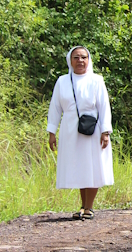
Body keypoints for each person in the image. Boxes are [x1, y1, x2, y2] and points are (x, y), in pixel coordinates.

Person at [47, 46, 113, 220]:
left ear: (88, 60)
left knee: (92, 166)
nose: (80, 61)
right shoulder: (62, 81)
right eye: (76, 57)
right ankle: (84, 206)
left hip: (93, 129)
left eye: (83, 57)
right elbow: (55, 107)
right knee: (80, 167)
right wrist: (52, 131)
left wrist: (105, 131)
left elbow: (104, 106)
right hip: (70, 130)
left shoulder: (96, 80)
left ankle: (89, 207)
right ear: (70, 60)